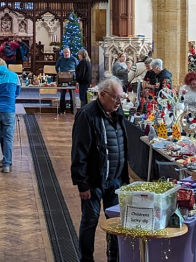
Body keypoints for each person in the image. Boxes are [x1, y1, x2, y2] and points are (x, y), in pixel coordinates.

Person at [70, 78, 130, 262]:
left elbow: (121, 145)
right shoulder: (87, 115)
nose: (119, 102)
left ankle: (114, 257)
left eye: (121, 98)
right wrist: (82, 183)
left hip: (115, 180)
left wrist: (124, 177)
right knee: (90, 221)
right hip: (94, 180)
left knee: (115, 222)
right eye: (116, 98)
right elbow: (79, 151)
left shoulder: (117, 112)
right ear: (102, 95)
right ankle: (86, 259)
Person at [55, 47, 79, 114]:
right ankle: (62, 110)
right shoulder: (60, 59)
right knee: (62, 95)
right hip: (63, 78)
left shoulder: (73, 59)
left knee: (72, 95)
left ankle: (73, 110)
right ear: (63, 53)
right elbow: (56, 67)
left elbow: (78, 68)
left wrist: (73, 71)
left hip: (72, 78)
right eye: (65, 52)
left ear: (70, 53)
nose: (66, 54)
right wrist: (59, 73)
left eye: (67, 52)